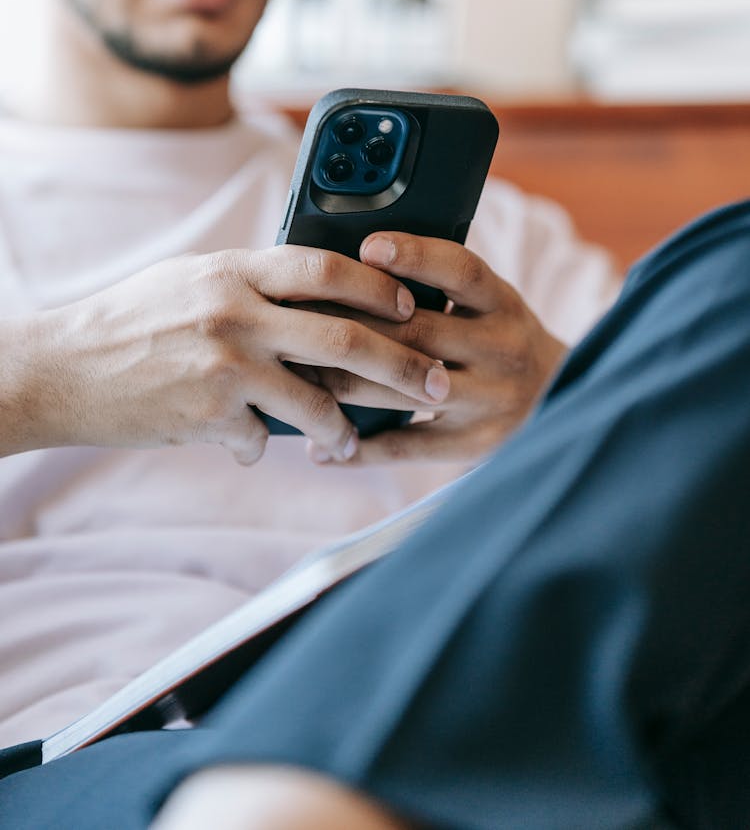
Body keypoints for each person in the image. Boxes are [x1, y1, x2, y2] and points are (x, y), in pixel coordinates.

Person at [0, 0, 619, 751]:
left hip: (459, 724)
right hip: (103, 756)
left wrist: (564, 414)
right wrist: (48, 379)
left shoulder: (497, 248)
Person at [2, 198, 748, 828]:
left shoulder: (508, 228)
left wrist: (558, 405)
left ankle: (305, 791)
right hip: (86, 753)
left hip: (533, 722)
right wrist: (43, 378)